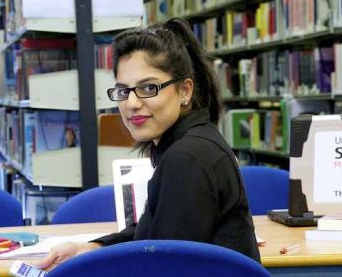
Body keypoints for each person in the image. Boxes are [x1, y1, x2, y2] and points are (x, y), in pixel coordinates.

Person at [36, 18, 261, 271]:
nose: (131, 103)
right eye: (123, 91)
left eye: (148, 88)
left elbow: (162, 266)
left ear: (185, 90)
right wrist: (91, 248)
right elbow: (154, 239)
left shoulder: (188, 158)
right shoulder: (191, 143)